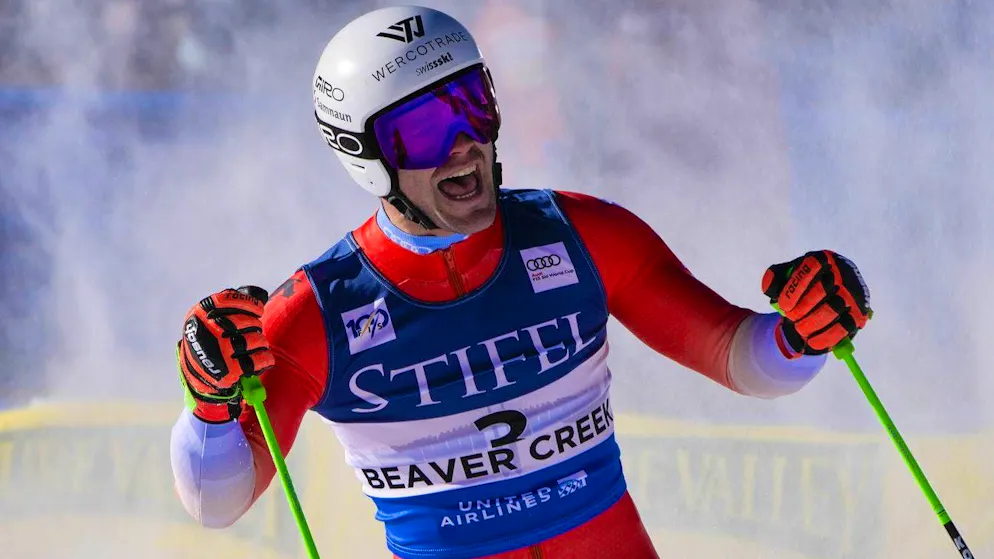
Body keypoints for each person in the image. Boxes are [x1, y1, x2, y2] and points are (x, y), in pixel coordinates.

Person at [169, 6, 872, 559]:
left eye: (473, 102)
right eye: (423, 128)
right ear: (364, 155)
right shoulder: (316, 312)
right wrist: (209, 407)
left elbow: (740, 357)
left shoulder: (584, 234)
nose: (464, 142)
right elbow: (215, 503)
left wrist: (805, 331)